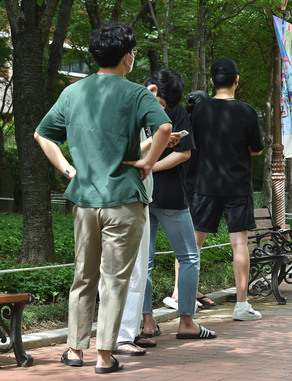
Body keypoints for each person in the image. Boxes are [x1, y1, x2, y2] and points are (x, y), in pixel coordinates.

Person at [34, 22, 172, 374]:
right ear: (127, 57)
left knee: (83, 277)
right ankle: (105, 356)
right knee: (114, 280)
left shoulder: (73, 93)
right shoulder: (137, 94)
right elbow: (165, 127)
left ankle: (75, 349)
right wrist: (147, 162)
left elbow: (42, 134)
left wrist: (69, 171)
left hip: (85, 201)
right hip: (124, 200)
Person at [101, 68, 191, 357]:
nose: (161, 111)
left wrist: (161, 142)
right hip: (124, 197)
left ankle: (131, 330)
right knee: (124, 269)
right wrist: (158, 142)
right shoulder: (128, 106)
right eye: (162, 105)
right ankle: (118, 335)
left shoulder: (136, 108)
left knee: (139, 269)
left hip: (141, 196)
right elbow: (122, 154)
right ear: (153, 92)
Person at [140, 70, 216, 341]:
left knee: (143, 262)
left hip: (139, 193)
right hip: (170, 194)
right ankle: (186, 321)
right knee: (189, 256)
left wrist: (146, 169)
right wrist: (153, 167)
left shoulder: (133, 105)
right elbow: (183, 154)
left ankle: (147, 322)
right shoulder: (176, 112)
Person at [190, 57, 265, 320]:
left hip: (205, 184)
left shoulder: (199, 110)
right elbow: (256, 149)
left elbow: (192, 145)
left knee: (192, 246)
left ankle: (183, 301)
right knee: (239, 244)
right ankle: (242, 306)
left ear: (211, 81)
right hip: (237, 184)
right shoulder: (247, 111)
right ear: (237, 80)